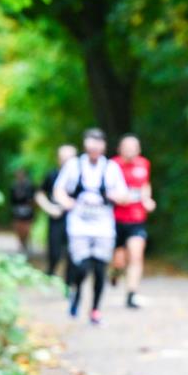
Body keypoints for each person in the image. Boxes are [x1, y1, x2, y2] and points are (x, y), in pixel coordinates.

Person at [53, 128, 130, 324]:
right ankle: (77, 293)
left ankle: (95, 309)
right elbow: (59, 189)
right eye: (91, 142)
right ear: (85, 144)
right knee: (82, 266)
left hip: (103, 226)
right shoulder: (73, 166)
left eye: (98, 142)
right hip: (79, 226)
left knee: (99, 269)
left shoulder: (111, 168)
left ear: (104, 145)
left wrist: (114, 196)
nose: (94, 146)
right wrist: (66, 202)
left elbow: (124, 195)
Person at [109, 133, 156, 309]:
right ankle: (115, 272)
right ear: (120, 149)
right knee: (119, 261)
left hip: (136, 218)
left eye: (134, 147)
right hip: (115, 219)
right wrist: (117, 197)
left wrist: (147, 199)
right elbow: (106, 189)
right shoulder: (112, 165)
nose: (130, 150)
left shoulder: (144, 164)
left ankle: (131, 295)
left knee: (136, 256)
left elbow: (145, 185)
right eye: (126, 147)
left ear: (139, 149)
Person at [35, 144, 78, 285]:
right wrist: (50, 208)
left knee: (72, 252)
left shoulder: (81, 177)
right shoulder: (52, 174)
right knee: (54, 251)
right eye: (63, 158)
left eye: (69, 158)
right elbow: (39, 194)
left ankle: (69, 282)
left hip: (75, 219)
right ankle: (51, 273)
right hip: (56, 218)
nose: (66, 161)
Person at [9, 168, 36, 256]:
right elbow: (12, 200)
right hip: (17, 210)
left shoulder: (29, 185)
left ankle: (26, 243)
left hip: (27, 210)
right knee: (19, 228)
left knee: (27, 229)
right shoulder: (14, 186)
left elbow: (33, 199)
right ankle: (21, 244)